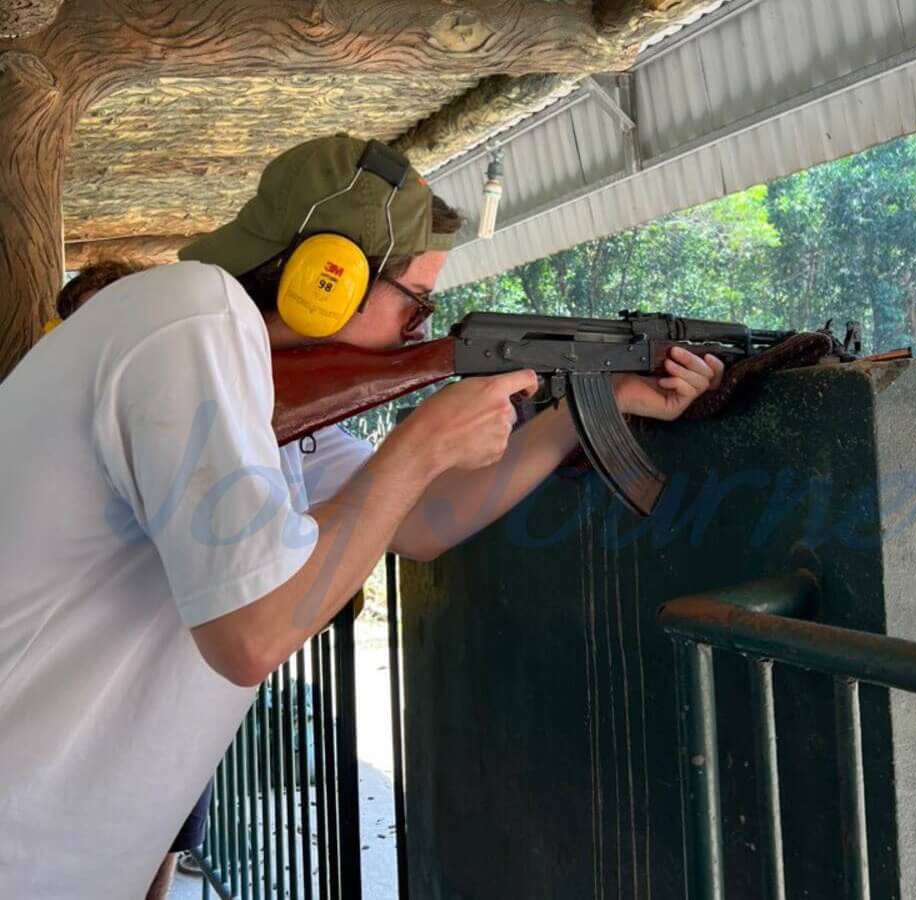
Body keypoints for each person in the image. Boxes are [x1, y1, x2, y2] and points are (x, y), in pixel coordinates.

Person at [0, 134, 723, 899]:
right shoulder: (190, 318)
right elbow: (252, 636)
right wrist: (417, 444)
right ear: (327, 278)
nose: (421, 328)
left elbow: (419, 522)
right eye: (415, 302)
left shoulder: (247, 382)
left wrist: (586, 410)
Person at [51, 257, 215, 900]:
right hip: (86, 664)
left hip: (169, 659)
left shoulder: (191, 403)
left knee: (166, 823)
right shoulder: (55, 412)